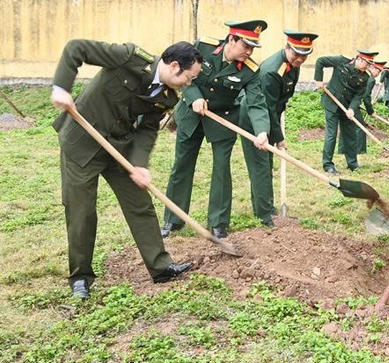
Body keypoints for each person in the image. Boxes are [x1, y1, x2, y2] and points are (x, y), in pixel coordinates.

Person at [51, 40, 201, 299]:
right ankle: (80, 278)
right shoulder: (129, 58)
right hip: (81, 142)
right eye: (189, 77)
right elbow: (76, 49)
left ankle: (160, 266)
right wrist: (61, 88)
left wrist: (140, 164)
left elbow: (147, 130)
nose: (189, 83)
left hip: (119, 148)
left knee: (139, 204)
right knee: (82, 210)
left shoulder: (168, 96)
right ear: (175, 66)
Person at [162, 21, 270, 240]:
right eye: (246, 46)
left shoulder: (250, 71)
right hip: (191, 115)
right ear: (232, 39)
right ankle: (173, 220)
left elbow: (257, 103)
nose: (249, 52)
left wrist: (262, 131)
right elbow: (182, 76)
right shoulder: (203, 48)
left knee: (222, 168)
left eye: (252, 48)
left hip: (223, 119)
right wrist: (194, 97)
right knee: (181, 165)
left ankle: (218, 223)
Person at [239, 31, 317, 227]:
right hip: (254, 117)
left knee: (266, 162)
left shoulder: (293, 65)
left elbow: (279, 100)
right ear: (287, 47)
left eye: (305, 54)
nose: (300, 58)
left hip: (269, 113)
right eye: (296, 53)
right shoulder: (273, 71)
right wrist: (279, 138)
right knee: (260, 165)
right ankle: (265, 213)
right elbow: (268, 109)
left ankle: (266, 206)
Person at [315, 49, 377, 174]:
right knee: (331, 135)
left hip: (347, 107)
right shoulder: (341, 61)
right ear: (359, 59)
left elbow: (358, 96)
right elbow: (320, 61)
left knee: (350, 135)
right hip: (332, 104)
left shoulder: (364, 77)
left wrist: (351, 109)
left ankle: (353, 164)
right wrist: (319, 79)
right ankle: (328, 165)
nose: (368, 67)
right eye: (367, 64)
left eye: (370, 65)